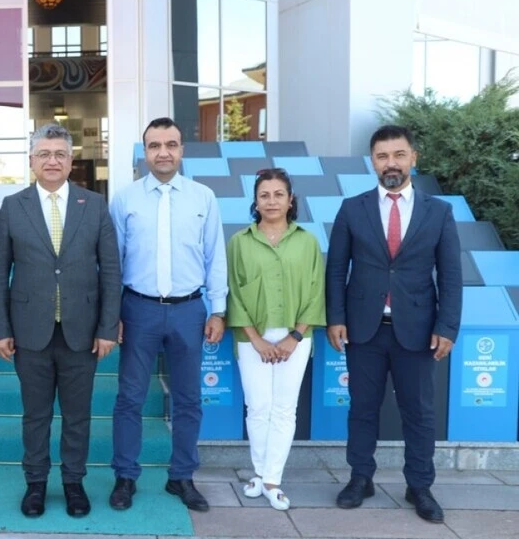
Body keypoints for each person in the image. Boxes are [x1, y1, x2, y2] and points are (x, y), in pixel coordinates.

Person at [326, 125, 462, 523]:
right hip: (363, 329)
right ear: (372, 161)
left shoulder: (439, 212)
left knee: (419, 412)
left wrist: (447, 326)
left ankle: (419, 485)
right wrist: (336, 318)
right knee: (362, 409)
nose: (391, 163)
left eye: (399, 155)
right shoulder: (352, 208)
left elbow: (450, 276)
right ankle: (360, 478)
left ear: (413, 158)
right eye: (382, 156)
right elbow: (336, 270)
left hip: (418, 331)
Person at [0, 124, 121, 518]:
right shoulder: (13, 206)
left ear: (70, 160)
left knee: (78, 416)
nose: (52, 161)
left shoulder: (93, 204)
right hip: (29, 332)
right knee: (36, 415)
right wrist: (1, 329)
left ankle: (73, 483)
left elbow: (111, 270)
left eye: (59, 154)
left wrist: (107, 328)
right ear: (32, 160)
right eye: (44, 154)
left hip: (82, 332)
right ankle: (35, 484)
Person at [108, 117, 228, 513]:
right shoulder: (124, 199)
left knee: (189, 398)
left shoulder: (203, 197)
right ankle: (126, 476)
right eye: (155, 145)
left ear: (181, 150)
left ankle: (182, 476)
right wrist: (112, 313)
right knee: (130, 398)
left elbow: (215, 257)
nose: (163, 152)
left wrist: (218, 310)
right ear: (145, 152)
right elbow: (112, 261)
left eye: (171, 144)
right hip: (137, 309)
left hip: (189, 310)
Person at [226, 168, 326, 511]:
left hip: (295, 338)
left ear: (290, 199)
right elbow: (233, 291)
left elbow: (316, 291)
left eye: (278, 194)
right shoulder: (239, 242)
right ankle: (258, 473)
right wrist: (256, 340)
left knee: (284, 408)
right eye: (264, 195)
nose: (271, 201)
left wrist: (294, 336)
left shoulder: (307, 242)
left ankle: (272, 480)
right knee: (258, 407)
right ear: (255, 201)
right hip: (250, 337)